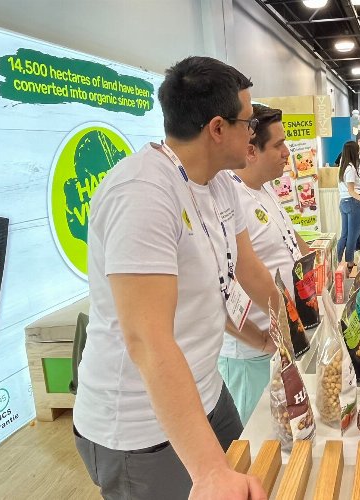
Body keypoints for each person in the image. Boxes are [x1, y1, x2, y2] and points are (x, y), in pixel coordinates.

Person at [73, 56, 275, 500]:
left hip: (206, 392)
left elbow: (248, 269)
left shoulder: (220, 183)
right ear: (217, 128)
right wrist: (209, 471)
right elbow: (147, 339)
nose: (253, 133)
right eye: (248, 122)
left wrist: (296, 325)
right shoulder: (142, 194)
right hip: (140, 428)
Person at [220, 104, 311, 424]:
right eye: (278, 145)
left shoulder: (265, 188)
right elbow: (218, 287)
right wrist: (260, 340)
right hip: (252, 355)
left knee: (282, 429)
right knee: (255, 437)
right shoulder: (228, 199)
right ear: (251, 151)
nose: (287, 153)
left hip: (282, 340)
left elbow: (290, 238)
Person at [337, 140, 360, 268]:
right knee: (353, 235)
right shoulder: (351, 168)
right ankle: (349, 262)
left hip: (343, 202)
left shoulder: (342, 167)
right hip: (353, 203)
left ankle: (336, 260)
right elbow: (351, 191)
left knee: (344, 234)